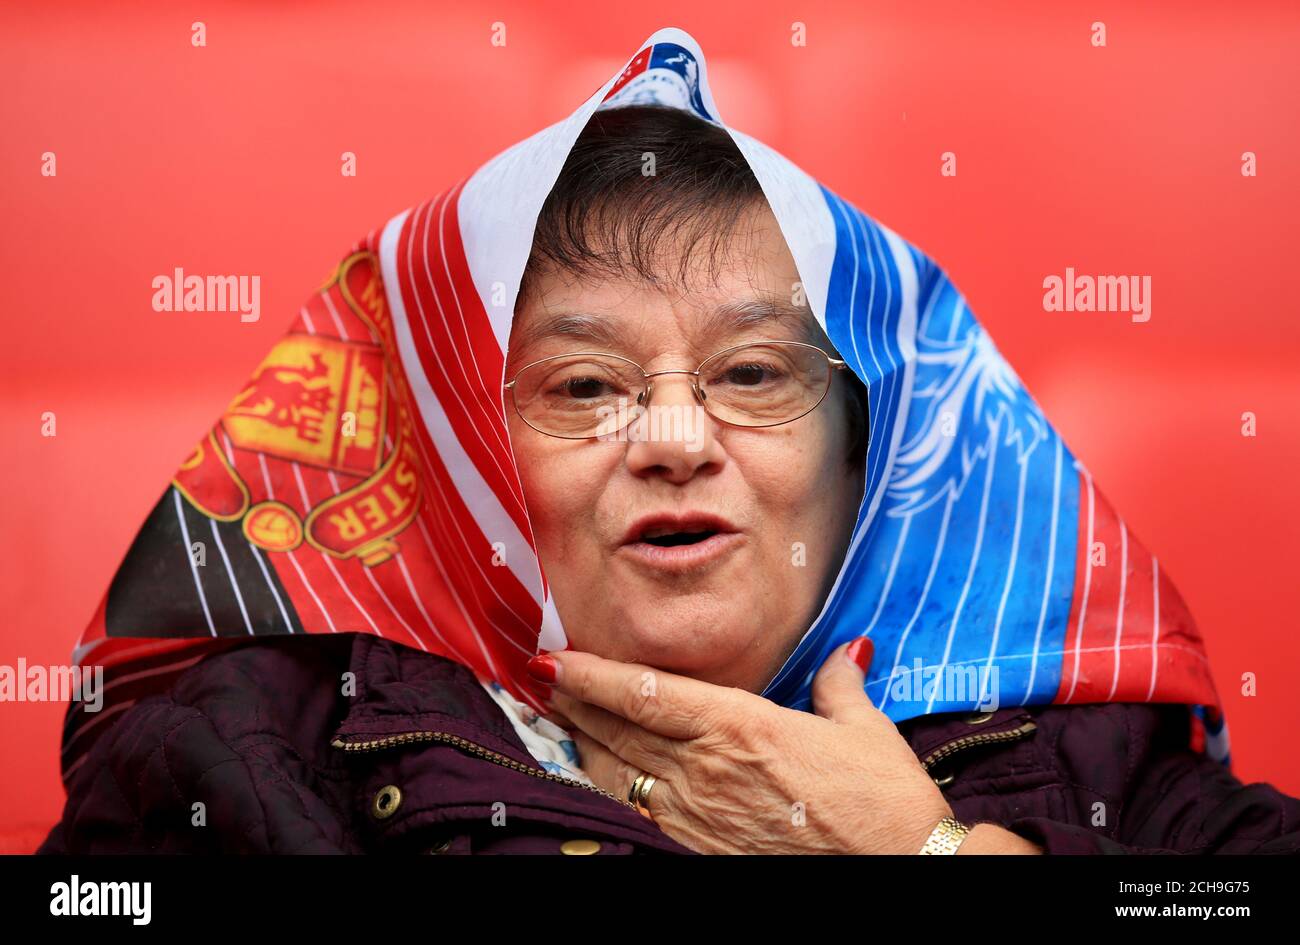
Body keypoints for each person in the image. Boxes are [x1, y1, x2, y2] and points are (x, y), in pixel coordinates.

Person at [39, 29, 1300, 855]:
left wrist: (929, 854)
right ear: (464, 464)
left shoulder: (1081, 750)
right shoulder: (241, 751)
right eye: (583, 388)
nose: (676, 440)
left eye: (754, 373)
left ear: (870, 458)